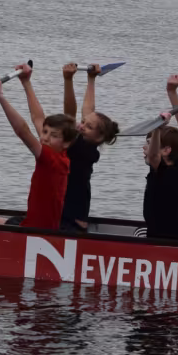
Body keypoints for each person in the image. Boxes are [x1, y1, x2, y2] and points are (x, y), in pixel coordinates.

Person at [0, 66, 74, 229]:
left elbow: (22, 131)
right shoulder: (59, 154)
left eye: (53, 135)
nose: (45, 138)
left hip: (35, 229)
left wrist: (0, 97)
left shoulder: (50, 158)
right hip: (34, 222)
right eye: (45, 132)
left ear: (66, 143)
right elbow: (38, 117)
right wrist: (26, 82)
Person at [59, 63, 120, 231]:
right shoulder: (89, 144)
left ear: (99, 137)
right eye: (83, 122)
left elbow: (69, 115)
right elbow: (89, 110)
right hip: (75, 215)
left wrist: (68, 80)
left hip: (70, 221)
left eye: (89, 126)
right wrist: (91, 79)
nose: (82, 125)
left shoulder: (82, 148)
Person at [141, 124, 178, 240]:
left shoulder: (160, 169)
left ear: (166, 150)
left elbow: (153, 155)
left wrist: (157, 127)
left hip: (165, 239)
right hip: (174, 235)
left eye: (149, 143)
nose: (144, 147)